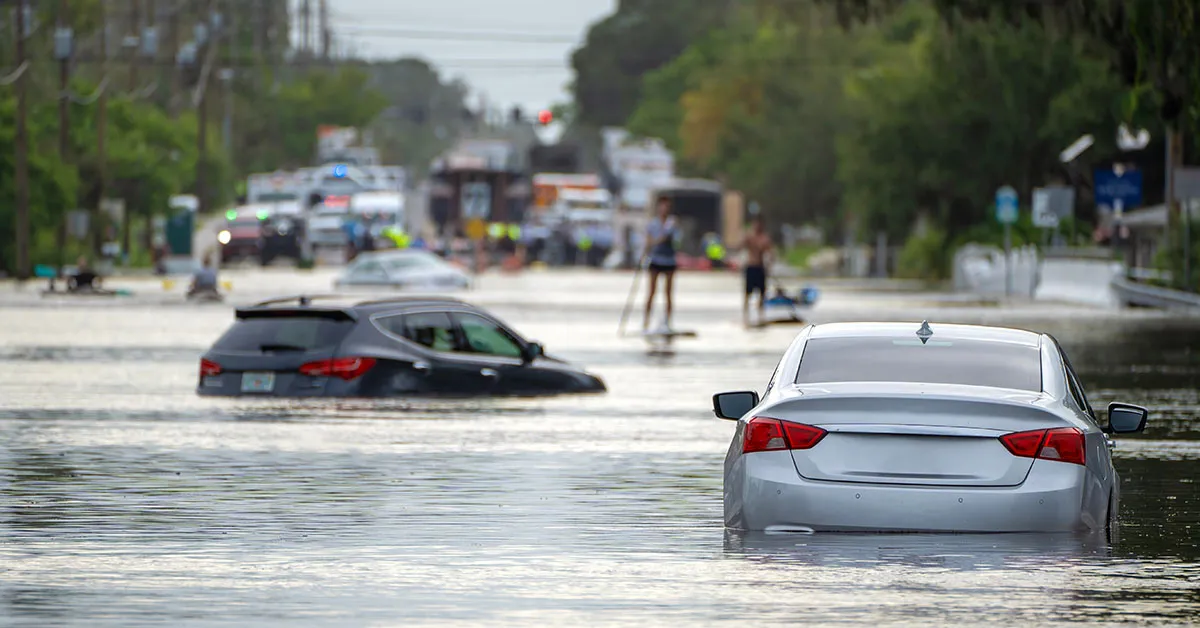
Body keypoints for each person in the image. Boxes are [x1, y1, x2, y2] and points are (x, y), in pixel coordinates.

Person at [643, 197, 680, 332]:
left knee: (668, 293)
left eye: (667, 207)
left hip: (669, 260)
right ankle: (646, 321)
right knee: (651, 292)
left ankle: (668, 322)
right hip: (656, 259)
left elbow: (677, 241)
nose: (664, 209)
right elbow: (649, 241)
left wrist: (667, 237)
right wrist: (658, 240)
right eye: (662, 206)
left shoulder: (672, 224)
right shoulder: (653, 224)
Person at [743, 217, 775, 327]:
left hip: (760, 268)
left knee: (762, 294)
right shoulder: (749, 237)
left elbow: (770, 253)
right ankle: (746, 317)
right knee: (747, 294)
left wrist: (769, 266)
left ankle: (761, 316)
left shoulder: (765, 239)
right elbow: (740, 245)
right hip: (751, 267)